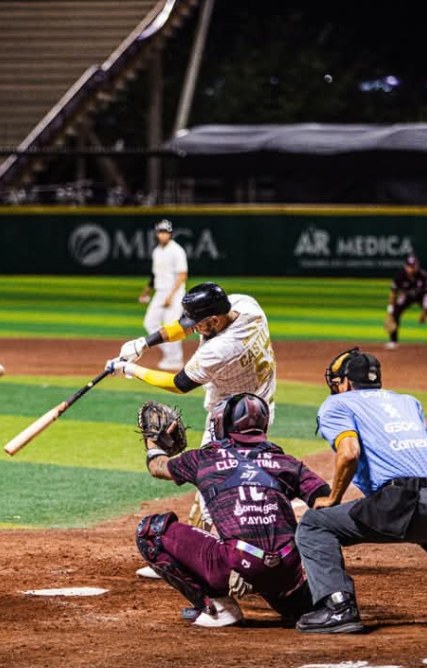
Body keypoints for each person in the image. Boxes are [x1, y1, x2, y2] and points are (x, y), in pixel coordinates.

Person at [293, 347, 427, 634]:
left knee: (314, 525)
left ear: (346, 382)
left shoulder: (337, 404)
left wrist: (333, 498)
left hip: (406, 503)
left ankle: (338, 608)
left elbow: (349, 453)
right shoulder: (407, 402)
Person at [109, 281, 278, 579]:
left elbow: (179, 383)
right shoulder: (245, 305)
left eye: (199, 323)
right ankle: (205, 552)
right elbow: (182, 326)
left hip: (233, 420)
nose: (194, 328)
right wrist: (144, 343)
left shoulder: (222, 349)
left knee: (214, 489)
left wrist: (131, 370)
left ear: (214, 320)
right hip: (257, 408)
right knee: (216, 488)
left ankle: (211, 561)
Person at [136, 393, 330, 627]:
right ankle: (302, 602)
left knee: (150, 532)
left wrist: (153, 441)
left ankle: (218, 608)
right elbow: (326, 501)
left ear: (222, 424)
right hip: (286, 569)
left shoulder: (205, 458)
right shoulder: (286, 462)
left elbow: (158, 467)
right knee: (292, 595)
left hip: (236, 564)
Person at [137, 219, 188, 370]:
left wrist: (171, 296)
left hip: (175, 292)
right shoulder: (157, 251)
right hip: (160, 292)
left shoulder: (177, 251)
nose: (162, 235)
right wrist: (146, 291)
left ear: (170, 234)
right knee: (149, 323)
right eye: (160, 232)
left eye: (165, 232)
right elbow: (155, 275)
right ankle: (170, 354)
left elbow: (182, 275)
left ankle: (175, 359)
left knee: (171, 326)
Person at [385, 253, 427, 350]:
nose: (411, 269)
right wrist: (390, 311)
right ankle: (393, 341)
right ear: (405, 266)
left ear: (417, 266)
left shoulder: (423, 276)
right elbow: (393, 293)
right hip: (407, 296)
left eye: (413, 266)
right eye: (409, 266)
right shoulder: (400, 276)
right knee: (395, 312)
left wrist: (424, 314)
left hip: (422, 296)